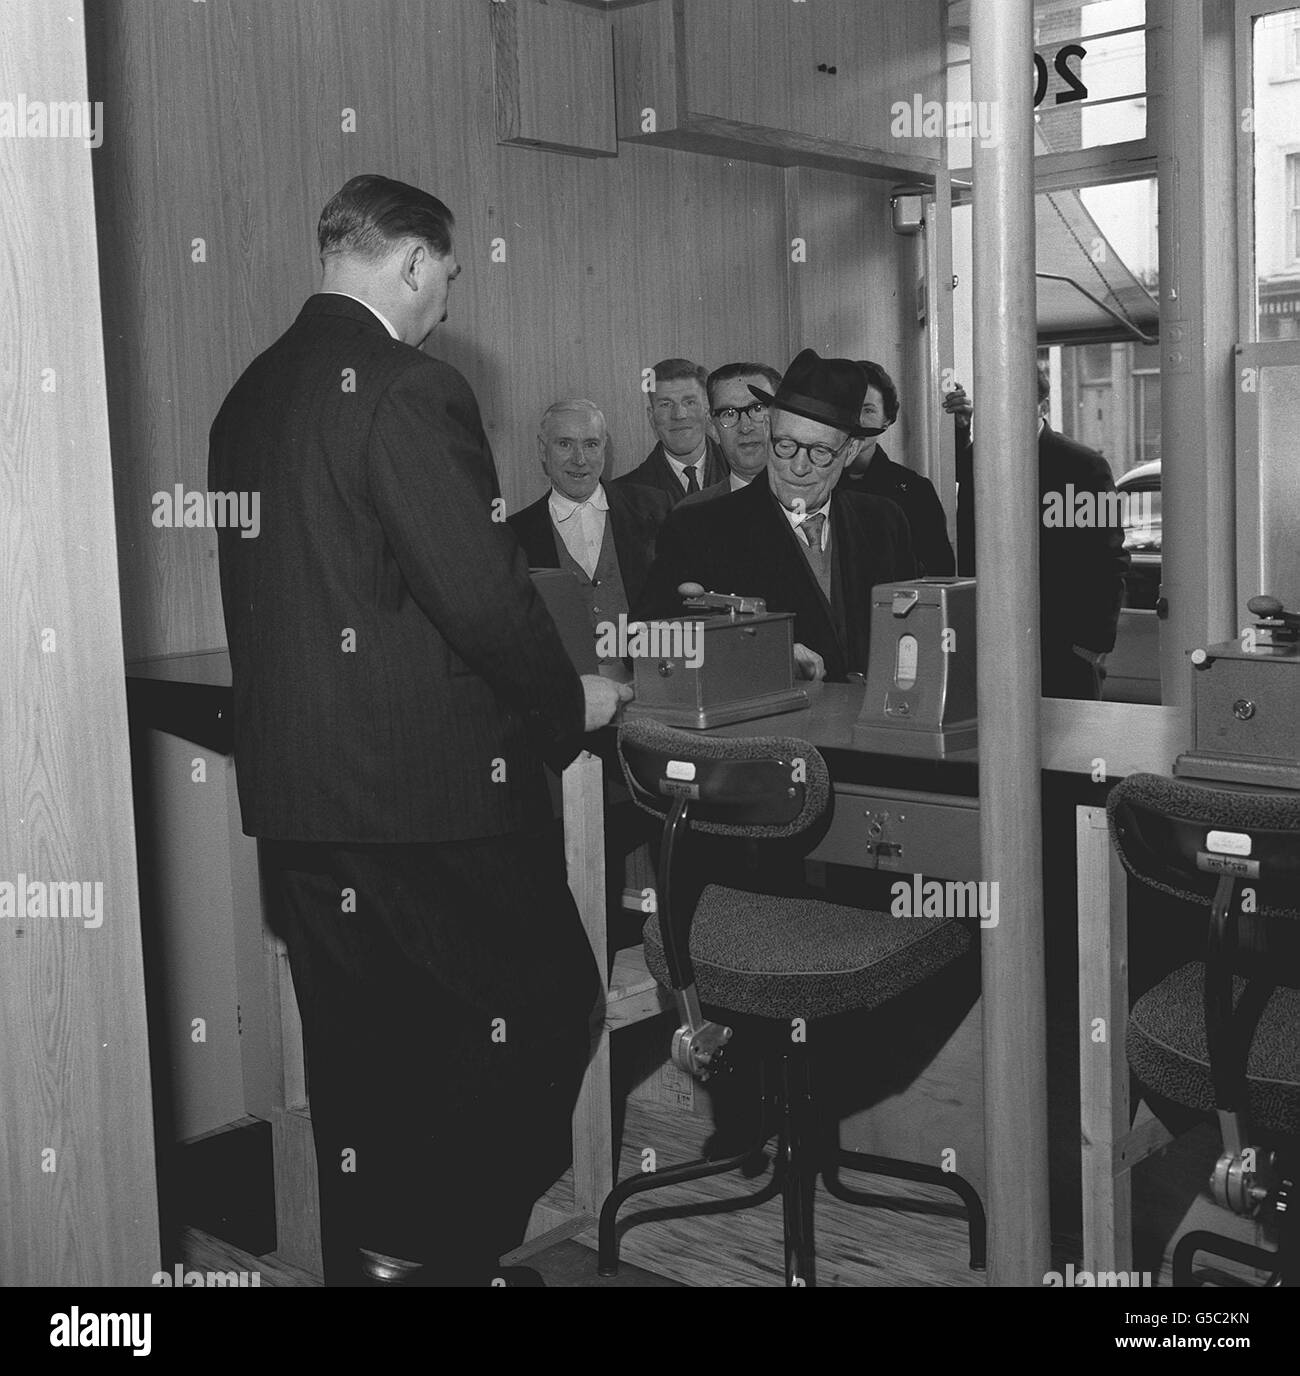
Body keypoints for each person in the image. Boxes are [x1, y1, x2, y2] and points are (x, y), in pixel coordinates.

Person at [208, 174, 630, 1287]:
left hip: (304, 799)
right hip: (430, 795)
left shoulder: (247, 397)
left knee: (365, 1050)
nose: (446, 297)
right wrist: (560, 707)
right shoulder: (409, 388)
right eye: (445, 272)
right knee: (545, 1005)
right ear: (408, 261)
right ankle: (451, 1251)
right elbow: (484, 595)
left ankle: (389, 1257)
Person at [636, 349, 915, 683]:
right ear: (768, 432)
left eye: (820, 452)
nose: (798, 468)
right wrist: (764, 654)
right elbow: (640, 640)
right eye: (786, 445)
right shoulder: (697, 528)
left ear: (850, 451)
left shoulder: (884, 522)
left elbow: (915, 632)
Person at [944, 364, 1130, 699]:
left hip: (1061, 646)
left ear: (1042, 408)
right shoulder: (980, 458)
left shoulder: (1083, 466)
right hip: (991, 641)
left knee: (1067, 745)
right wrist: (961, 430)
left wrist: (1090, 646)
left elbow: (1108, 559)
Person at [508, 398, 669, 657]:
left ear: (604, 447)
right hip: (568, 689)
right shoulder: (515, 534)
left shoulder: (655, 508)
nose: (579, 459)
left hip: (652, 678)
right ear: (542, 449)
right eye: (564, 444)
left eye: (591, 444)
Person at [837, 360, 956, 576]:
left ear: (886, 420)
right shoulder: (817, 482)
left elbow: (940, 571)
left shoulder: (914, 490)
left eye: (868, 410)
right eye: (848, 406)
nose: (856, 420)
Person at [614, 357, 727, 504]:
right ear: (651, 417)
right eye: (666, 404)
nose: (679, 415)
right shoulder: (624, 495)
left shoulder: (743, 475)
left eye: (689, 402)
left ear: (707, 410)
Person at [680, 361, 784, 505]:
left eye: (758, 409)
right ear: (713, 428)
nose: (745, 427)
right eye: (729, 413)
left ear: (783, 417)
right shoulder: (690, 514)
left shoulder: (818, 502)